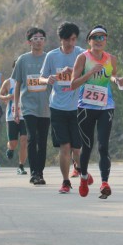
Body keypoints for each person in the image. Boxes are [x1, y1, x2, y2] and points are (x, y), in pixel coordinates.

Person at [70, 25, 123, 199]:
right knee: (87, 146)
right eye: (95, 37)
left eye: (102, 37)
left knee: (103, 146)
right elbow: (73, 84)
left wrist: (117, 80)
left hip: (105, 107)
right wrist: (90, 73)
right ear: (89, 41)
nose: (99, 41)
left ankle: (104, 182)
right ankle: (84, 178)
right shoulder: (83, 58)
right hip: (86, 108)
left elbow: (111, 75)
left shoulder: (111, 59)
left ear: (106, 40)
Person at [39, 22, 85, 193]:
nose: (71, 43)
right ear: (61, 39)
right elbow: (41, 78)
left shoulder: (81, 54)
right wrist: (48, 79)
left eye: (73, 39)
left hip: (78, 106)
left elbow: (91, 73)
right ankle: (66, 182)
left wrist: (73, 71)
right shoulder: (52, 56)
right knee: (65, 146)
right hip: (57, 107)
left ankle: (79, 168)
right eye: (67, 40)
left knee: (77, 149)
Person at [12, 27, 50, 185]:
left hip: (46, 106)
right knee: (31, 138)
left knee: (42, 141)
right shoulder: (22, 60)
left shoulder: (49, 58)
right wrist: (16, 108)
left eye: (41, 38)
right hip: (28, 106)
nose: (39, 41)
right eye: (35, 38)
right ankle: (34, 172)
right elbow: (17, 85)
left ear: (44, 41)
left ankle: (40, 172)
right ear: (29, 42)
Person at [0, 72, 28, 175]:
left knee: (24, 140)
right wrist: (7, 97)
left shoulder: (27, 80)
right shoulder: (8, 82)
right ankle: (10, 148)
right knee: (13, 143)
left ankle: (21, 166)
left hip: (25, 115)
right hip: (11, 116)